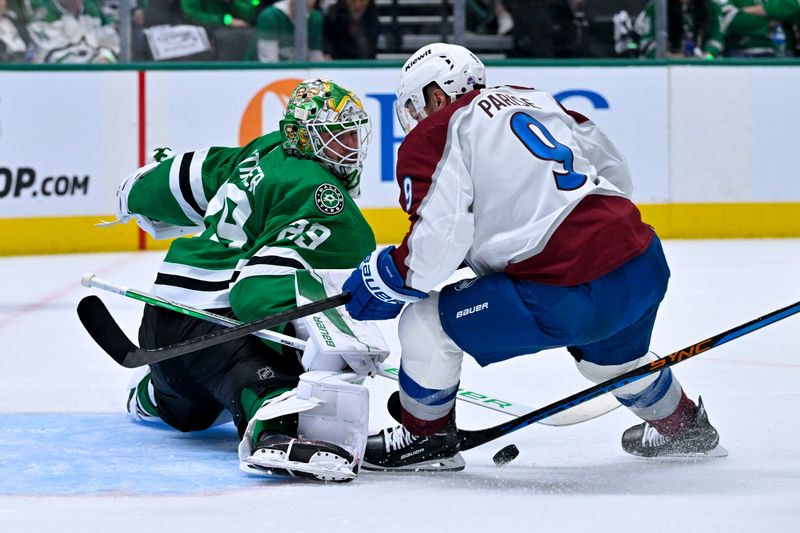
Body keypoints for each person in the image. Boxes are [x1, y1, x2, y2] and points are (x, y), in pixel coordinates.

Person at [341, 43, 722, 471]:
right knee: (611, 362)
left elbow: (434, 246)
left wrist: (388, 276)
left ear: (436, 95)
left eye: (417, 104)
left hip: (570, 292)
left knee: (425, 321)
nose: (415, 118)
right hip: (642, 263)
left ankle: (424, 438)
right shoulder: (534, 98)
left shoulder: (435, 133)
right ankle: (684, 427)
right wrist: (513, 237)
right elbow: (615, 175)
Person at [109, 78, 378, 482]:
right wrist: (333, 347)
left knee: (192, 410)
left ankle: (152, 394)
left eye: (353, 137)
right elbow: (259, 292)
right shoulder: (322, 194)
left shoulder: (263, 149)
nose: (350, 150)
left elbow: (193, 174)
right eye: (336, 138)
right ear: (301, 137)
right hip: (212, 333)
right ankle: (273, 437)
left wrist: (139, 190)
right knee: (280, 377)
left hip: (158, 325)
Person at [25, 0, 120, 63]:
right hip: (55, 81)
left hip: (98, 78)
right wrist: (95, 59)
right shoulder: (43, 13)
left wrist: (104, 56)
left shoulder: (92, 7)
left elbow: (113, 42)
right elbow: (51, 56)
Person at [249, 0, 323, 62]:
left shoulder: (314, 18)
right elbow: (268, 60)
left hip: (298, 73)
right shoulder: (271, 16)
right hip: (258, 72)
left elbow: (315, 56)